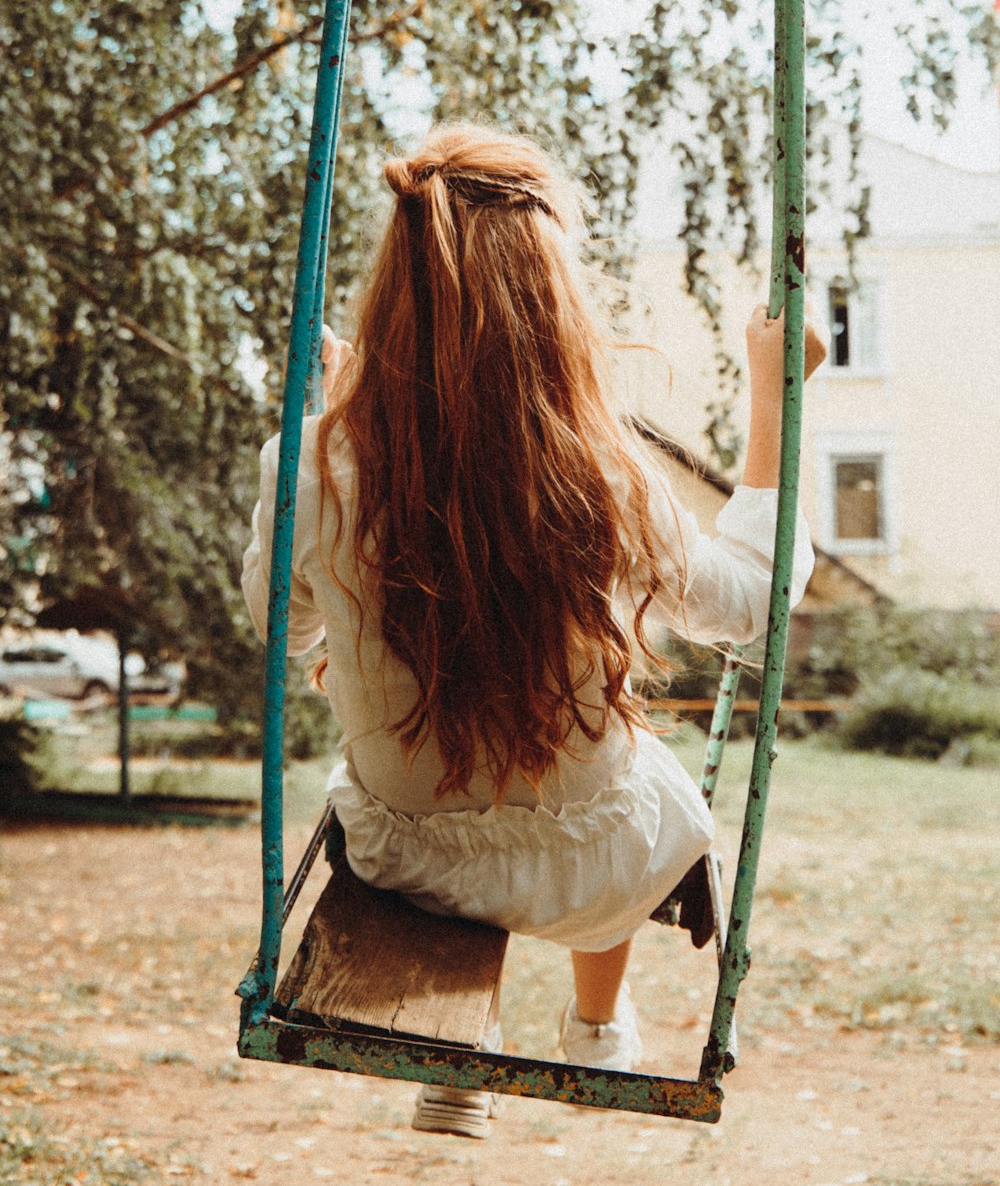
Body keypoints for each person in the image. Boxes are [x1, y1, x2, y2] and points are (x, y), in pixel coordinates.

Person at [242, 122, 825, 1136]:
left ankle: (446, 1040)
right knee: (639, 769)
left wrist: (313, 422)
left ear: (396, 289)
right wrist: (777, 397)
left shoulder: (318, 455)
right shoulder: (596, 467)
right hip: (595, 872)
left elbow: (276, 629)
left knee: (410, 744)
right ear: (553, 296)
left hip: (401, 864)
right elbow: (756, 609)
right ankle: (596, 1025)